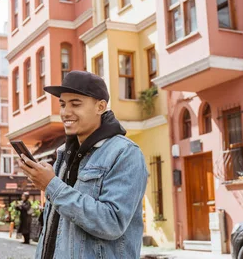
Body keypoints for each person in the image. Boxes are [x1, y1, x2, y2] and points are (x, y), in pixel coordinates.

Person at [18, 70, 148, 259]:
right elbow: (54, 228)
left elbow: (112, 222)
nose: (65, 112)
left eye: (75, 104)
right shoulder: (64, 153)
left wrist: (52, 186)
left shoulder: (125, 153)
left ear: (100, 106)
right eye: (62, 104)